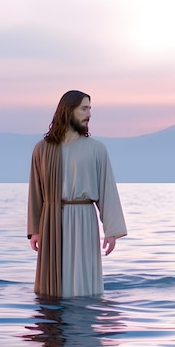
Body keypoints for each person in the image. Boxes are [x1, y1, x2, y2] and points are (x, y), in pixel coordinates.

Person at [27, 90, 127, 298]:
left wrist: (111, 230)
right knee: (52, 287)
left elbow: (106, 189)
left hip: (83, 218)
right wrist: (35, 229)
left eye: (90, 108)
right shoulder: (42, 149)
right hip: (51, 219)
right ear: (68, 111)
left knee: (83, 282)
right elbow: (36, 192)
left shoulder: (96, 149)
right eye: (84, 108)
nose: (89, 113)